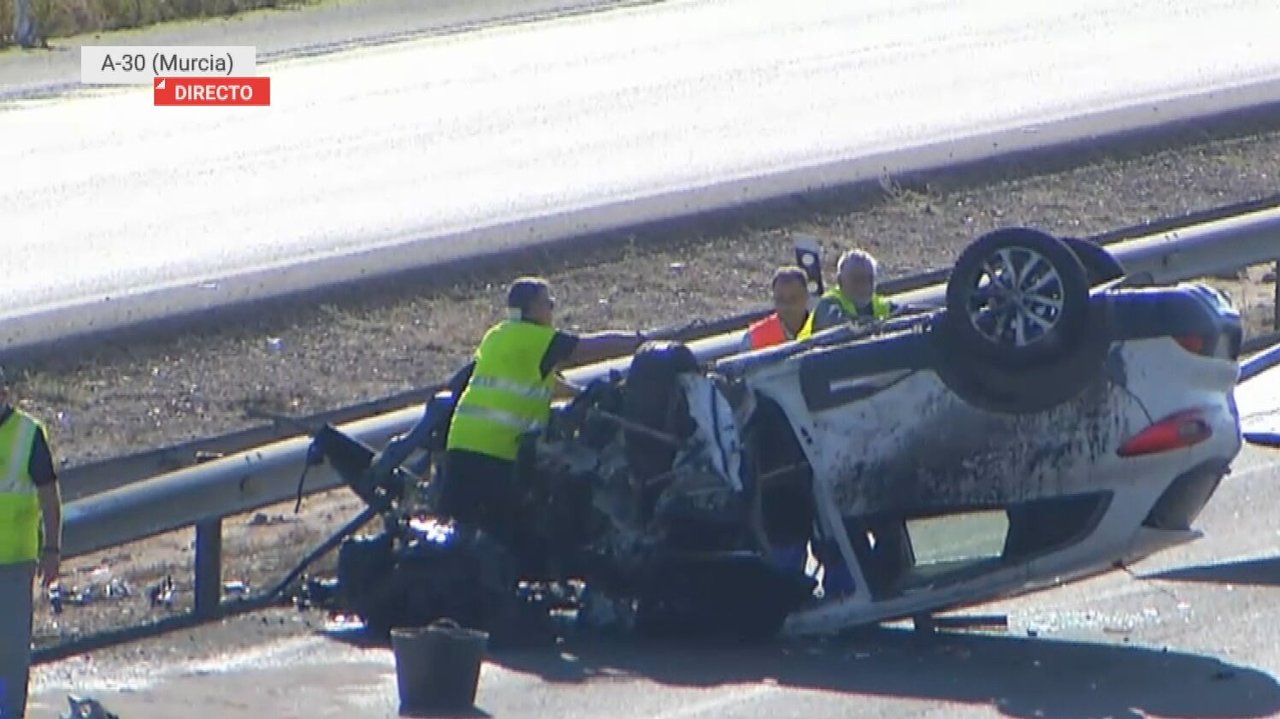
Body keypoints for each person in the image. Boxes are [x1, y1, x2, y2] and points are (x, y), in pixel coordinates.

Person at [439, 276, 647, 545]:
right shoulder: (537, 339)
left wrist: (579, 393)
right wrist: (639, 341)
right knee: (505, 537)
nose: (552, 308)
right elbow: (588, 348)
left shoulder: (497, 336)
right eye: (548, 303)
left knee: (452, 532)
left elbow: (541, 381)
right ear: (531, 309)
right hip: (497, 452)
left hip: (461, 442)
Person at [0, 366, 61, 719]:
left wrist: (51, 549)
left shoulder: (27, 434)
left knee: (10, 653)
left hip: (15, 562)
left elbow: (50, 499)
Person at [796, 248, 896, 340]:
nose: (864, 285)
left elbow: (903, 313)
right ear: (840, 281)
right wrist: (878, 324)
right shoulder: (828, 305)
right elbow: (842, 327)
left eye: (869, 279)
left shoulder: (880, 305)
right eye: (856, 280)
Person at [740, 266, 811, 352]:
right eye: (780, 299)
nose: (786, 305)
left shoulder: (822, 327)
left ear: (806, 296)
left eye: (793, 298)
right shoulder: (755, 337)